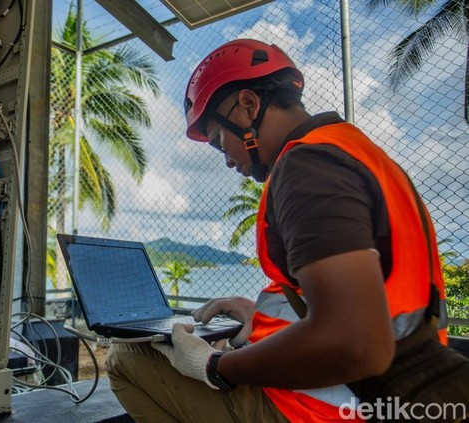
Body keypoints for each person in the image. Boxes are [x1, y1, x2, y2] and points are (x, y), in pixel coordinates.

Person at [105, 39, 449, 422]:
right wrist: (261, 319)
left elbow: (357, 342)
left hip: (318, 410)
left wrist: (216, 367)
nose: (228, 161)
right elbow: (368, 302)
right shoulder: (352, 150)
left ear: (248, 106)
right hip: (390, 394)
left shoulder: (306, 167)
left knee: (124, 356)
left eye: (221, 142)